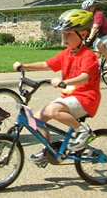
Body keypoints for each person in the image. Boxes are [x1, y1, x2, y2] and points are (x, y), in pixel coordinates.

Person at [13, 9, 100, 164]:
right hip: (69, 98)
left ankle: (83, 131)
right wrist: (25, 65)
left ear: (84, 34)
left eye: (69, 34)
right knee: (37, 119)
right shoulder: (66, 53)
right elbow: (46, 64)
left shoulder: (89, 56)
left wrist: (65, 82)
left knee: (53, 111)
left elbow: (85, 77)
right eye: (63, 34)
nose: (64, 38)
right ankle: (48, 150)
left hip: (86, 99)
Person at [82, 0, 107, 70]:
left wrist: (89, 39)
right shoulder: (89, 16)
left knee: (99, 45)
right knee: (96, 54)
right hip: (102, 36)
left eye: (87, 9)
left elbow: (95, 28)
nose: (86, 11)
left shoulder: (98, 14)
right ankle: (97, 70)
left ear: (92, 8)